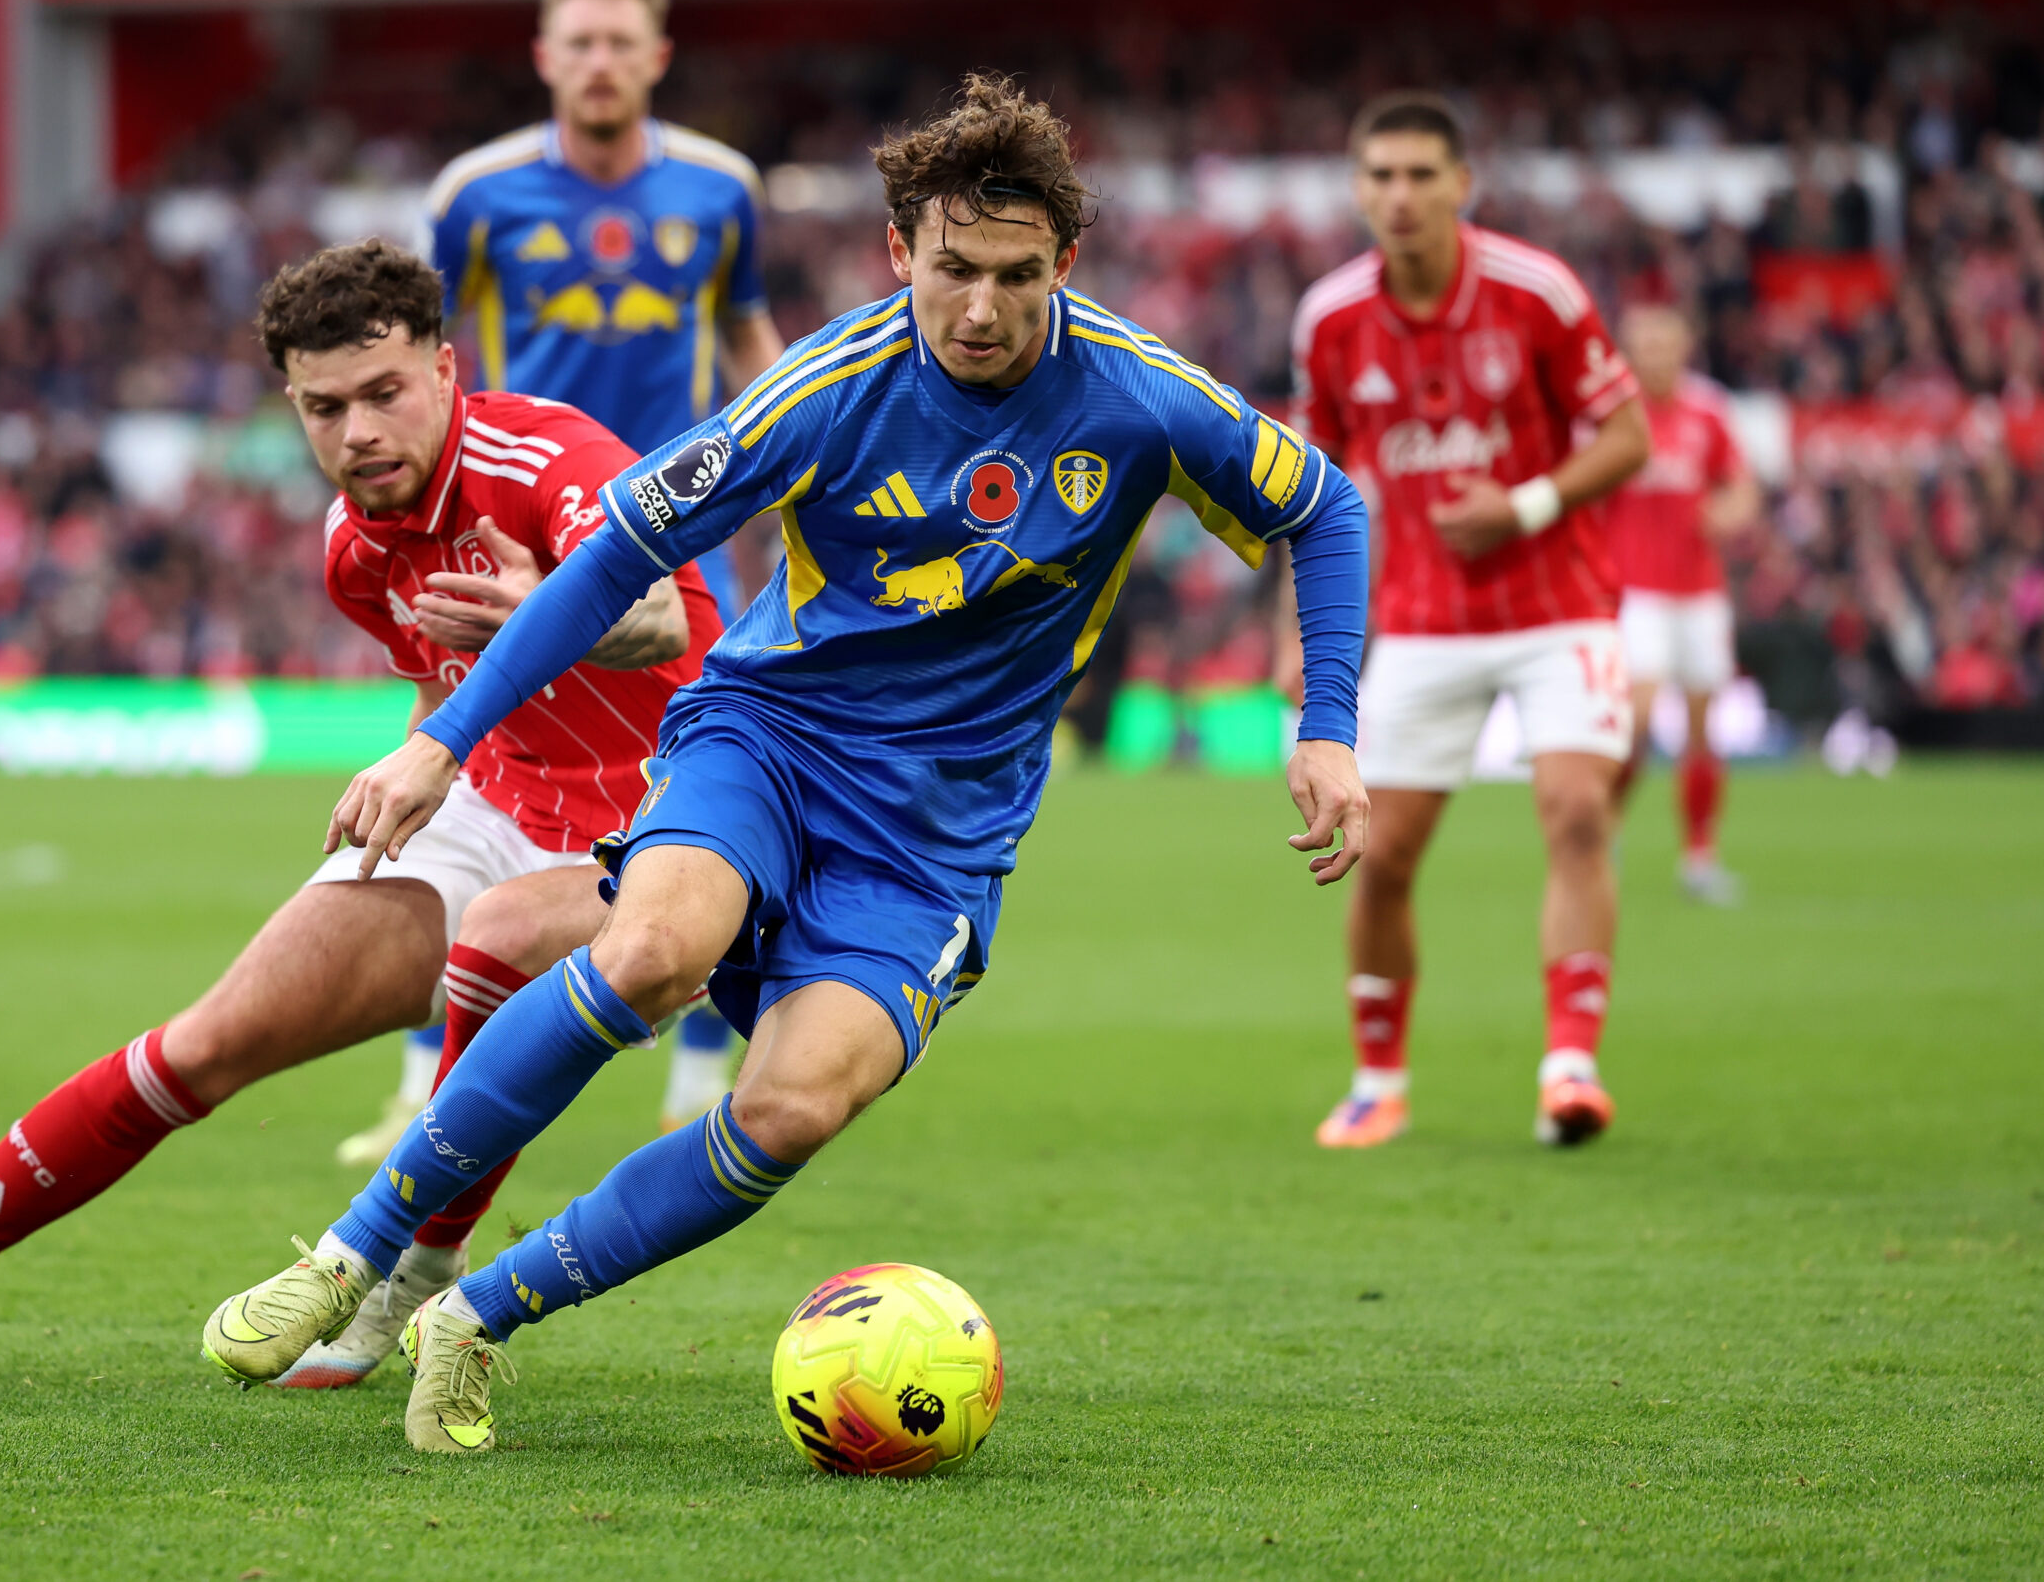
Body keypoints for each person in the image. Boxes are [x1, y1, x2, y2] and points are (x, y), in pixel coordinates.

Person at [194, 76, 1373, 1454]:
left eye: (1013, 275)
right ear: (898, 254)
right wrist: (439, 747)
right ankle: (353, 1253)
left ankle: (476, 1317)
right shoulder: (828, 386)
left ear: (1066, 263)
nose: (979, 309)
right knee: (651, 951)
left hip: (940, 829)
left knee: (796, 1101)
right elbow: (618, 556)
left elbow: (1324, 504)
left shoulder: (1141, 397)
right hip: (773, 739)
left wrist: (1330, 720)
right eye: (950, 271)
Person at [0, 241, 719, 1375]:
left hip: (671, 821)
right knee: (203, 1046)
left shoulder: (543, 454)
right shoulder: (353, 551)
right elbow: (447, 684)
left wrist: (542, 607)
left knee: (489, 961)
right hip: (498, 802)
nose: (358, 434)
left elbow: (665, 620)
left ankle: (404, 1289)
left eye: (384, 393)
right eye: (323, 407)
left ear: (444, 370)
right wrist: (416, 779)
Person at [340, 0, 786, 1163]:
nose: (598, 60)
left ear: (655, 55)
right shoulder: (478, 192)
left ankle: (700, 1062)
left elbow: (746, 333)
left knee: (704, 763)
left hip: (683, 529)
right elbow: (436, 351)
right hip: (525, 523)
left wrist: (801, 463)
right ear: (545, 56)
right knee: (473, 752)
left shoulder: (718, 185)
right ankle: (418, 1072)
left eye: (618, 41)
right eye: (577, 40)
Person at [1287, 92, 1652, 1153]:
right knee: (1383, 851)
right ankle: (1376, 1081)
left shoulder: (1536, 292)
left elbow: (1626, 434)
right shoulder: (1329, 320)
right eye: (1379, 176)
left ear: (1461, 184)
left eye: (1418, 175)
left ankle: (1570, 1069)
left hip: (1557, 605)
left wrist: (1524, 505)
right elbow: (1301, 494)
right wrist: (1297, 646)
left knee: (1577, 812)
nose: (1398, 195)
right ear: (1358, 190)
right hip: (1421, 621)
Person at [1607, 303, 1759, 904]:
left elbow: (1740, 485)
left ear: (1683, 348)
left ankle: (1699, 857)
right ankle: (1606, 830)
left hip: (1699, 591)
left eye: (1665, 345)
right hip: (1636, 589)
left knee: (1702, 728)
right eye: (1645, 346)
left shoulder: (1708, 411)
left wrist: (1730, 512)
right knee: (1638, 719)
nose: (1656, 357)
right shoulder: (1613, 414)